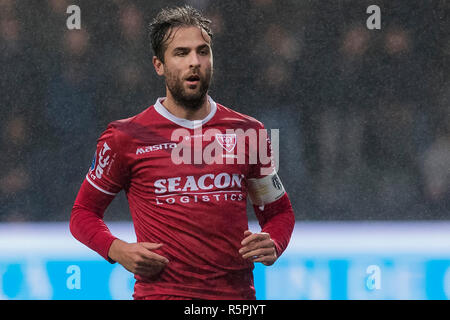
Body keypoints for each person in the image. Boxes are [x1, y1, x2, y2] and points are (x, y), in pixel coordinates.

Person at [70, 5, 295, 300]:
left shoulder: (248, 132)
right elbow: (82, 213)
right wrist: (117, 249)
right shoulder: (125, 137)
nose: (195, 62)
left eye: (203, 52)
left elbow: (279, 212)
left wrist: (274, 241)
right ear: (158, 65)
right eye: (181, 53)